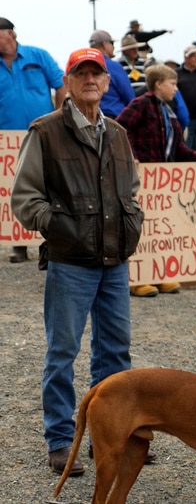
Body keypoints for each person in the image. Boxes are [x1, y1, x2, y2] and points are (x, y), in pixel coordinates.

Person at [10, 47, 144, 476]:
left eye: (96, 73)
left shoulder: (119, 134)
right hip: (70, 261)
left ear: (107, 83)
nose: (89, 79)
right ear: (66, 82)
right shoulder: (45, 131)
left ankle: (109, 438)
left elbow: (132, 192)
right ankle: (61, 441)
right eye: (80, 72)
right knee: (62, 353)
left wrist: (132, 223)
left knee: (115, 354)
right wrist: (60, 227)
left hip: (114, 261)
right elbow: (25, 198)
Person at [116, 63, 196, 298]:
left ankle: (158, 274)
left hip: (162, 180)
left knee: (160, 227)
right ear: (158, 84)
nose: (175, 89)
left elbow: (178, 147)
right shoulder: (141, 104)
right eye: (172, 84)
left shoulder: (168, 112)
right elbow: (120, 126)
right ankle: (137, 278)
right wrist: (132, 155)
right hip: (142, 179)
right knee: (140, 227)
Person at [0, 17, 65, 264]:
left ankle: (47, 241)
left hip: (44, 134)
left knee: (50, 184)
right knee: (14, 187)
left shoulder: (38, 56)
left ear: (10, 34)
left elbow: (60, 86)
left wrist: (60, 118)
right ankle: (17, 243)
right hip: (8, 140)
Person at [88, 30, 135, 119]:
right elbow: (129, 97)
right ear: (104, 44)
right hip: (114, 118)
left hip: (88, 118)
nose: (113, 47)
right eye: (112, 43)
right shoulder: (114, 67)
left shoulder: (83, 67)